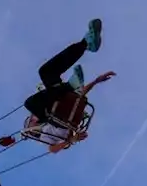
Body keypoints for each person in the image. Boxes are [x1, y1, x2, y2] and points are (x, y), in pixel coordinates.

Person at [21, 19, 114, 153]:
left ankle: (86, 43)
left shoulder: (51, 107)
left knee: (46, 72)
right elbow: (52, 149)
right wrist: (70, 140)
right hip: (59, 116)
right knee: (30, 103)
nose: (32, 119)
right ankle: (70, 84)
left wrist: (95, 81)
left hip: (59, 102)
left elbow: (81, 93)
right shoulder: (47, 135)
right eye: (31, 121)